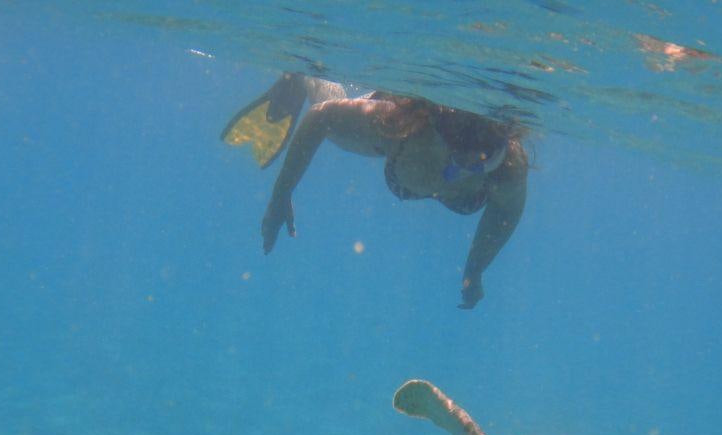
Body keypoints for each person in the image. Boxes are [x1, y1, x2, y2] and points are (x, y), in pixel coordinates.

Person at [222, 73, 528, 310]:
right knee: (330, 108)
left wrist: (475, 269)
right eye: (458, 161)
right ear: (436, 135)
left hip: (415, 146)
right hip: (396, 130)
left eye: (480, 162)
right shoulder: (402, 127)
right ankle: (304, 76)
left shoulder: (508, 169)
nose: (459, 173)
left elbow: (505, 212)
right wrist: (280, 196)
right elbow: (321, 116)